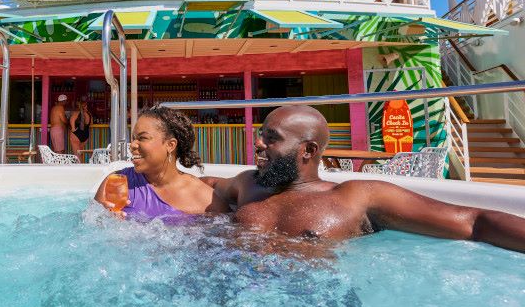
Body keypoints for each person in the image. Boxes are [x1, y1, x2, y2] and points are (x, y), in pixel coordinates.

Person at [206, 105, 525, 253]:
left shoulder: (357, 197)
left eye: (271, 137)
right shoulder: (248, 183)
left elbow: (474, 222)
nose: (258, 144)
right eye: (260, 135)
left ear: (308, 150)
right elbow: (203, 184)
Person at [94, 106, 228, 219]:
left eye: (143, 138)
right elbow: (87, 230)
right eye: (134, 138)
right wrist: (103, 220)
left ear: (170, 145)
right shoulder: (117, 183)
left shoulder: (206, 200)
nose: (133, 145)